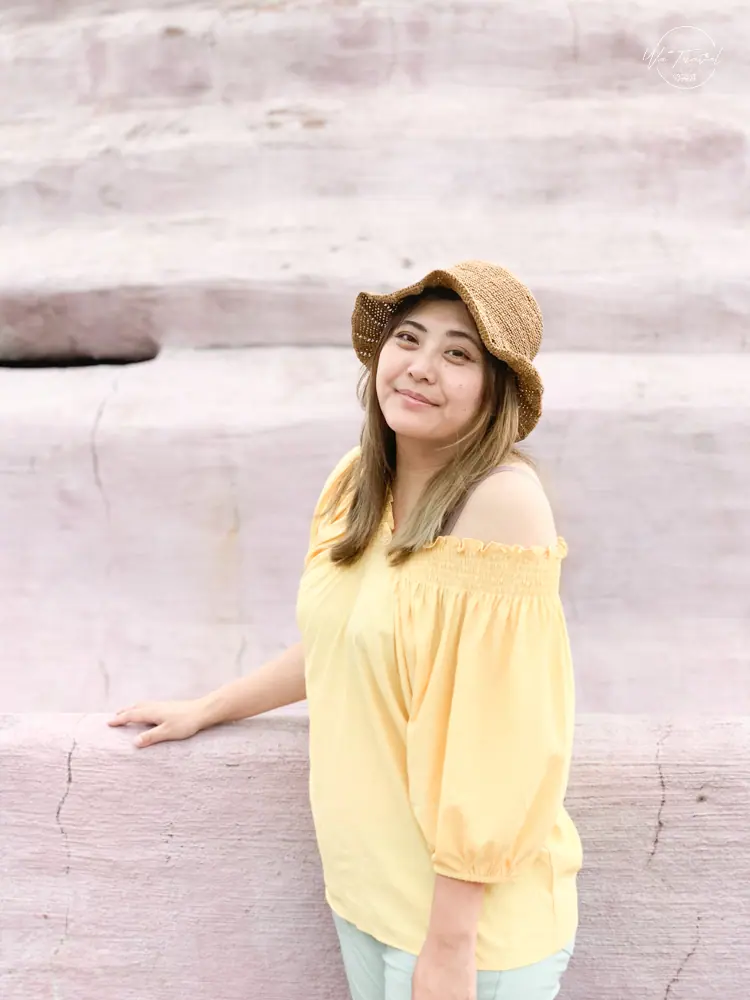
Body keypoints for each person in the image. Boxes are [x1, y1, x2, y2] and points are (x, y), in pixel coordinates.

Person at [109, 261, 583, 1000]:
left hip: (468, 934)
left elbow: (500, 744)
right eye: (409, 339)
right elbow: (344, 644)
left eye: (458, 354)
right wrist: (211, 706)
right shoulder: (356, 482)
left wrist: (449, 948)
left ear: (497, 390)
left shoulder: (503, 506)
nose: (421, 367)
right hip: (368, 899)